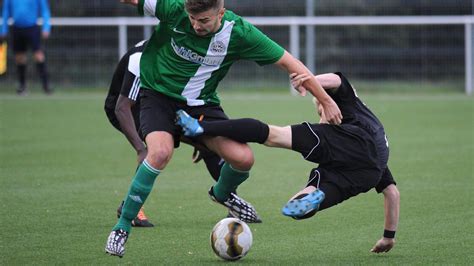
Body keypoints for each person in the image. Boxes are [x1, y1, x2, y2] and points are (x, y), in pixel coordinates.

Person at [105, 0, 342, 258]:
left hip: (202, 105)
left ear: (221, 12)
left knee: (243, 159)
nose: (196, 25)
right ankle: (122, 227)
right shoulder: (173, 7)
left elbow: (291, 63)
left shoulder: (240, 33)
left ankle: (222, 193)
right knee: (159, 153)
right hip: (158, 96)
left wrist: (326, 100)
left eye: (204, 20)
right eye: (192, 19)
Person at [176, 72, 400, 253]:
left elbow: (337, 79)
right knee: (309, 194)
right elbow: (392, 193)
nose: (320, 111)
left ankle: (202, 127)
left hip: (355, 141)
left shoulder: (349, 103)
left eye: (320, 108)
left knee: (272, 135)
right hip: (369, 171)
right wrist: (388, 237)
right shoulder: (378, 139)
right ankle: (310, 199)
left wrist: (310, 82)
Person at [104, 40, 227, 227]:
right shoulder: (141, 59)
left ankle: (231, 201)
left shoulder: (182, 52)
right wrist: (139, 148)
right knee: (156, 151)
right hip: (129, 109)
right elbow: (121, 108)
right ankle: (132, 209)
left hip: (162, 105)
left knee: (210, 143)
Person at [0, 0, 52, 95]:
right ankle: (22, 86)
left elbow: (45, 11)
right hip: (17, 28)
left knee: (38, 56)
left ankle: (46, 86)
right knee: (19, 57)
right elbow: (6, 11)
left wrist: (46, 27)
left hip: (32, 28)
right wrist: (3, 29)